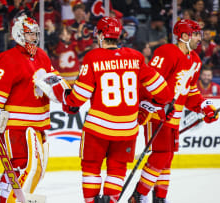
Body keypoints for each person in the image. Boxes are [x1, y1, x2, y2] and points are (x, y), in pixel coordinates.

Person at [36, 16, 173, 203]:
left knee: (91, 166)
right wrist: (150, 106)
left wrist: (63, 95)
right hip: (127, 129)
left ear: (100, 35)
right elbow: (164, 94)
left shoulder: (93, 57)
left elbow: (78, 98)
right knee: (117, 167)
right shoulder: (136, 57)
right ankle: (111, 200)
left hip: (98, 127)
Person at [0, 15, 67, 202]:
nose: (34, 38)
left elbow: (56, 82)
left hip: (38, 125)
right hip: (16, 126)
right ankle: (12, 200)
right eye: (30, 34)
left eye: (35, 34)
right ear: (19, 34)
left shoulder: (42, 56)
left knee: (20, 169)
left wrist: (68, 98)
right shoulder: (8, 58)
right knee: (27, 168)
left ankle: (0, 198)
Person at [131, 19, 220, 203]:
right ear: (184, 36)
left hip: (174, 117)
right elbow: (148, 82)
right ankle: (139, 195)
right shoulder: (167, 52)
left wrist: (204, 107)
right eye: (195, 34)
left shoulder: (195, 60)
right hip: (157, 113)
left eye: (199, 34)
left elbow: (190, 91)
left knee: (167, 157)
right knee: (161, 154)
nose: (199, 38)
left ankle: (160, 197)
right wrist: (151, 106)